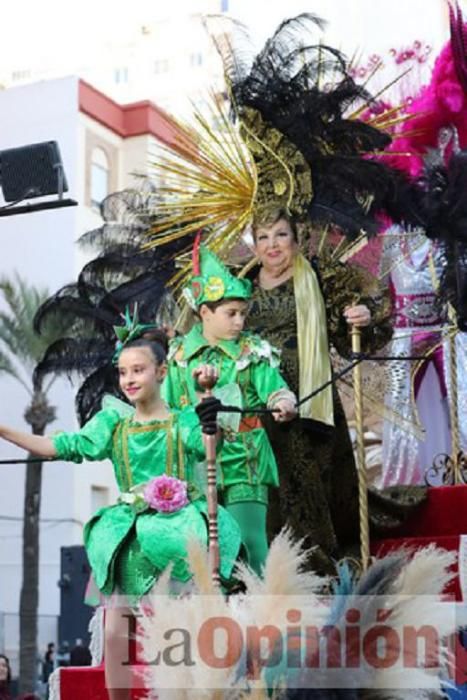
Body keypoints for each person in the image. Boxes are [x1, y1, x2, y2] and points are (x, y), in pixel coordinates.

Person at [0, 321, 242, 700]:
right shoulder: (113, 423)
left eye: (139, 370)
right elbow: (58, 446)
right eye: (124, 371)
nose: (129, 379)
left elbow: (209, 444)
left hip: (178, 533)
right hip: (128, 538)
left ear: (161, 373)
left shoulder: (181, 421)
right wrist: (3, 430)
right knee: (115, 633)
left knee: (177, 631)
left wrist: (209, 414)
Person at [245, 209, 392, 572]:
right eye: (263, 237)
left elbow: (369, 306)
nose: (272, 245)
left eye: (280, 235)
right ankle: (279, 569)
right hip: (260, 404)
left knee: (309, 481)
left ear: (295, 238)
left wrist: (362, 314)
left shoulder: (320, 276)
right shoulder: (241, 284)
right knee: (273, 485)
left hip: (312, 400)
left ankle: (317, 568)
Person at [163, 245, 297, 575]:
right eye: (230, 313)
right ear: (205, 312)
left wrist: (284, 402)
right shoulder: (177, 355)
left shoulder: (253, 350)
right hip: (193, 461)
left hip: (243, 459)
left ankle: (266, 613)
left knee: (251, 542)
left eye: (242, 312)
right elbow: (167, 407)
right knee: (195, 547)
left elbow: (275, 387)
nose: (240, 321)